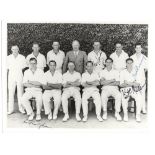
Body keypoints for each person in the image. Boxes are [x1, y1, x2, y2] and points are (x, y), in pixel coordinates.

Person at [120, 58, 145, 122]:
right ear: (126, 64)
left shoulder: (136, 71)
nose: (129, 64)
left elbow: (138, 84)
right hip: (125, 89)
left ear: (133, 63)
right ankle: (125, 115)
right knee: (124, 98)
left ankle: (138, 115)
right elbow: (121, 84)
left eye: (131, 63)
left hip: (134, 90)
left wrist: (127, 82)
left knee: (139, 97)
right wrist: (132, 83)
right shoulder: (122, 72)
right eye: (128, 63)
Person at [7, 45, 27, 114]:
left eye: (16, 49)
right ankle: (10, 109)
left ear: (18, 49)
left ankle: (21, 108)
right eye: (13, 49)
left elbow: (23, 66)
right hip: (11, 76)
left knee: (20, 92)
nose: (15, 50)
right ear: (11, 50)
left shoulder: (22, 57)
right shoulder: (8, 58)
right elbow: (6, 68)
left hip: (19, 75)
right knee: (11, 93)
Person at [130, 43, 148, 114]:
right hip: (133, 78)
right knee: (133, 92)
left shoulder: (145, 57)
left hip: (142, 78)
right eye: (136, 48)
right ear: (135, 49)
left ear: (141, 49)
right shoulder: (131, 57)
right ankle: (132, 108)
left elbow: (146, 69)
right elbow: (130, 68)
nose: (138, 49)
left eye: (139, 48)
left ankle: (143, 108)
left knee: (142, 93)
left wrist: (141, 74)